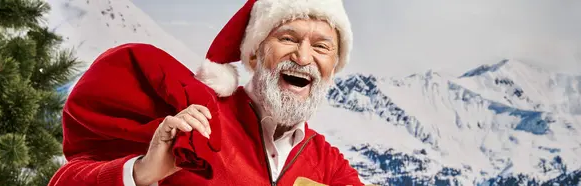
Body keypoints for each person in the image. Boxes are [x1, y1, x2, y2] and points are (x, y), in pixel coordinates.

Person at [48, 0, 362, 185]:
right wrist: (141, 172)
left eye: (321, 46)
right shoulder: (193, 117)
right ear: (253, 54)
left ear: (332, 68)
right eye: (288, 39)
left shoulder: (328, 165)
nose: (304, 57)